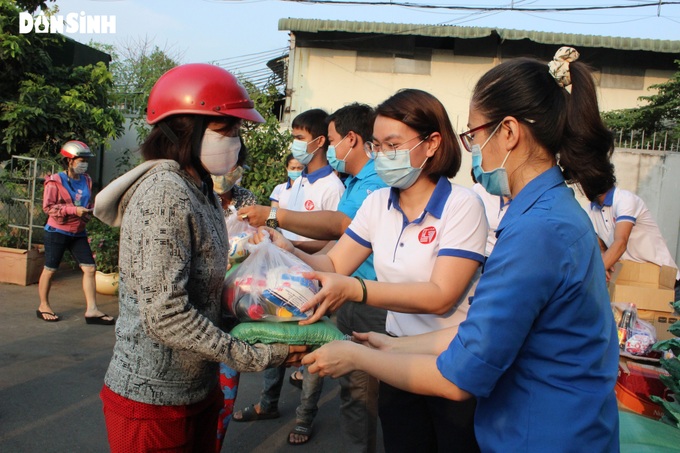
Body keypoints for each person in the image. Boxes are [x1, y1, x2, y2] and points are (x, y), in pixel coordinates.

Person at [302, 47, 621, 452]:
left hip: (539, 433)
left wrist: (356, 356)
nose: (473, 149)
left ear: (508, 132)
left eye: (473, 134)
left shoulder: (537, 231)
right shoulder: (548, 213)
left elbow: (458, 376)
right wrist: (393, 345)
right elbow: (485, 332)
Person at [92, 63, 305, 453]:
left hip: (196, 389)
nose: (237, 143)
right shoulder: (164, 193)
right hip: (152, 401)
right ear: (185, 129)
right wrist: (256, 354)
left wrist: (271, 317)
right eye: (228, 132)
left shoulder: (200, 190)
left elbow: (205, 294)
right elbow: (165, 314)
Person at [260, 89, 488, 452]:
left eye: (392, 145)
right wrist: (285, 250)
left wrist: (356, 289)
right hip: (396, 354)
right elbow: (335, 264)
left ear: (432, 143)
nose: (381, 156)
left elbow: (440, 295)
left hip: (450, 357)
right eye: (376, 146)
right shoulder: (378, 203)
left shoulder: (463, 206)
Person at [239, 102, 389, 452]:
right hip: (349, 290)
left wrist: (274, 216)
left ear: (349, 140)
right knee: (353, 390)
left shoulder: (372, 183)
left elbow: (338, 226)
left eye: (333, 138)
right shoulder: (352, 182)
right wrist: (288, 251)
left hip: (371, 296)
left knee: (361, 391)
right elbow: (334, 259)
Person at [232, 108, 344, 446]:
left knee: (309, 350)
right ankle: (268, 403)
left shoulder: (332, 187)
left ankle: (305, 417)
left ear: (320, 141)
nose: (295, 145)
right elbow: (282, 225)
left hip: (310, 277)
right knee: (273, 334)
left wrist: (290, 246)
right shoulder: (298, 183)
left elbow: (334, 241)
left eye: (299, 138)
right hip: (281, 278)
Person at [36, 140, 115, 325]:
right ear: (69, 160)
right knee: (50, 269)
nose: (85, 163)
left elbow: (85, 204)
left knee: (89, 268)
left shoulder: (86, 179)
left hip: (78, 232)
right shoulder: (54, 181)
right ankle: (43, 305)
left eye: (86, 160)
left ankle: (92, 310)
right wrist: (73, 211)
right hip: (57, 231)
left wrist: (91, 211)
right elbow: (48, 208)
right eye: (81, 159)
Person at [587, 185, 680, 296]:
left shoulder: (625, 199)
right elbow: (601, 247)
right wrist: (603, 259)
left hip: (664, 282)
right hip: (630, 282)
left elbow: (621, 242)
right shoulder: (589, 211)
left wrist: (598, 270)